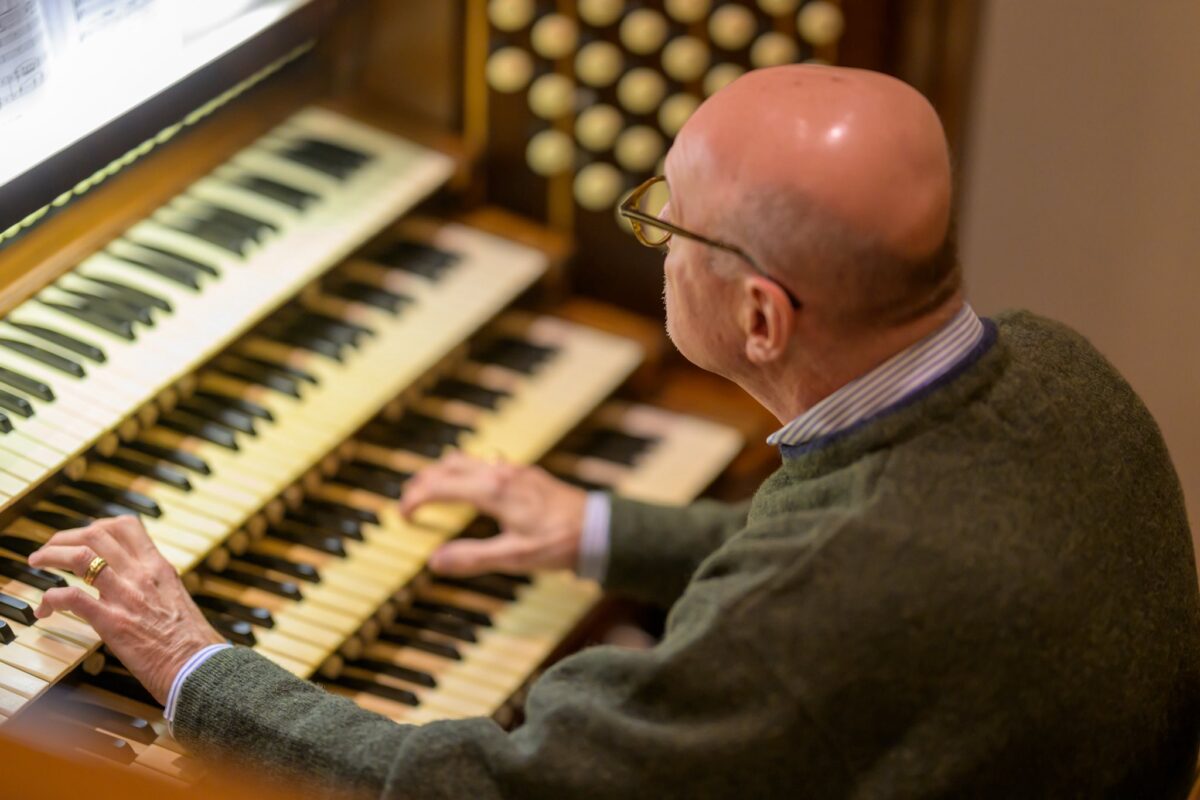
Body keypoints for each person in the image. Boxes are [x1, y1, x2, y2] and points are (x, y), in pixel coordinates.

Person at [27, 64, 1200, 798]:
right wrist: (588, 523)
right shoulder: (1057, 367)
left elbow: (486, 786)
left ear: (759, 313)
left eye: (665, 222)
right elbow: (864, 547)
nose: (655, 240)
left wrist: (194, 664)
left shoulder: (820, 610)